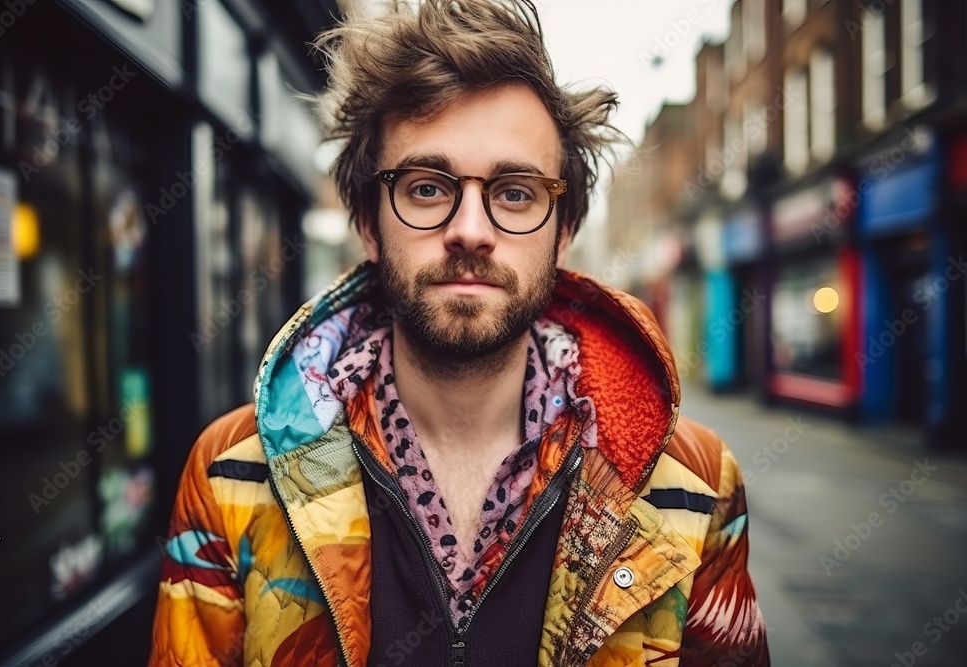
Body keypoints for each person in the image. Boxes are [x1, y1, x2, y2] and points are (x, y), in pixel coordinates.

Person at [148, 1, 770, 665]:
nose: (470, 229)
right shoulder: (233, 476)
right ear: (368, 221)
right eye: (425, 187)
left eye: (515, 192)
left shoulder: (693, 482)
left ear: (564, 230)